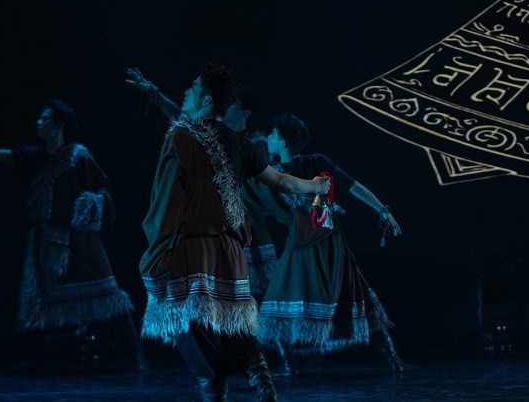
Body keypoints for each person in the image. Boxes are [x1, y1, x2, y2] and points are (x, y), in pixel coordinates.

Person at [129, 63, 330, 401]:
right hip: (229, 253)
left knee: (195, 331)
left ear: (208, 100)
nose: (185, 92)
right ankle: (262, 385)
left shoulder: (181, 137)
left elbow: (166, 199)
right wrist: (315, 185)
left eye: (193, 88)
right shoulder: (238, 143)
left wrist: (158, 245)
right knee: (229, 326)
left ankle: (225, 389)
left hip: (193, 250)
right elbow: (281, 181)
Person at [0, 97, 147, 371]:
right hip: (48, 242)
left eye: (44, 118)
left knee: (109, 294)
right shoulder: (34, 157)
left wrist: (91, 203)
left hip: (81, 240)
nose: (38, 122)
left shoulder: (79, 157)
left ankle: (137, 357)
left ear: (59, 125)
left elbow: (103, 189)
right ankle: (35, 359)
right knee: (40, 299)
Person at [256, 113, 405, 375]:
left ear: (283, 143)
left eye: (272, 134)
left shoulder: (316, 163)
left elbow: (352, 186)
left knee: (354, 298)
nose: (268, 137)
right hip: (299, 244)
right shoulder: (272, 172)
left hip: (327, 244)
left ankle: (393, 358)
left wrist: (383, 210)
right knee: (278, 306)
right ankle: (289, 365)